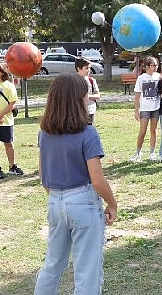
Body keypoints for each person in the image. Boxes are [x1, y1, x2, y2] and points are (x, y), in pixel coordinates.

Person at [34, 73, 117, 295]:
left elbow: (44, 177)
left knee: (53, 264)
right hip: (83, 200)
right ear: (78, 98)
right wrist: (112, 203)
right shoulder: (88, 133)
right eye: (86, 95)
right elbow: (97, 178)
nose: (88, 99)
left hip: (55, 201)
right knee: (87, 271)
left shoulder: (44, 133)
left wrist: (59, 196)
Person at [130, 56, 161, 162]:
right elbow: (137, 95)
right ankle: (138, 153)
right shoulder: (141, 78)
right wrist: (136, 110)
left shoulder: (158, 76)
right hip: (145, 108)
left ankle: (152, 153)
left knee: (154, 130)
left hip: (156, 107)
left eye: (156, 65)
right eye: (153, 65)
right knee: (142, 131)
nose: (155, 67)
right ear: (147, 67)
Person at [75, 57, 101, 125]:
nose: (89, 70)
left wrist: (88, 96)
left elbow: (98, 95)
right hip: (76, 111)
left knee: (89, 129)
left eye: (89, 68)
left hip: (90, 110)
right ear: (79, 68)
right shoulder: (73, 81)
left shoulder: (91, 80)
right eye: (86, 68)